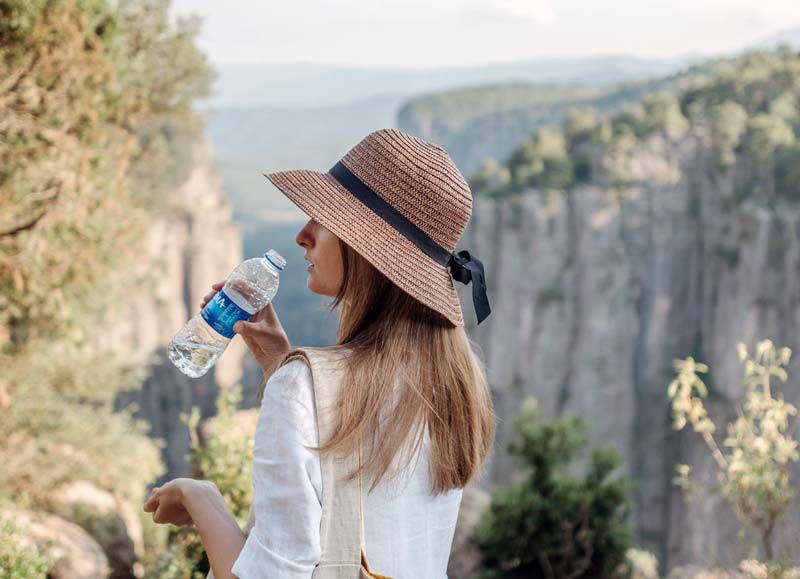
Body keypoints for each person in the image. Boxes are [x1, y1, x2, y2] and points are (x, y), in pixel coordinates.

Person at [144, 128, 496, 579]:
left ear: (369, 250)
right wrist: (279, 363)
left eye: (323, 219)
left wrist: (200, 496)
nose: (302, 235)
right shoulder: (454, 384)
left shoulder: (301, 389)